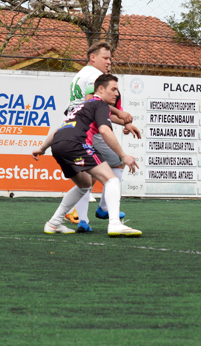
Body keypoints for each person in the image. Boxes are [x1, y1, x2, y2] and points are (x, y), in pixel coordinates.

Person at [32, 74, 142, 236]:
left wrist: (42, 148)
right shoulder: (101, 105)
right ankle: (114, 224)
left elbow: (57, 131)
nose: (116, 93)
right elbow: (105, 130)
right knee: (111, 179)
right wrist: (123, 156)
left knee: (84, 184)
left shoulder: (82, 106)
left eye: (117, 90)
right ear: (100, 89)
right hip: (76, 144)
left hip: (58, 145)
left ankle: (54, 223)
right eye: (113, 89)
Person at [64, 42, 141, 232]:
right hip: (91, 131)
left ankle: (82, 220)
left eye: (110, 58)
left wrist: (124, 121)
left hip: (75, 130)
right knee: (118, 163)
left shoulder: (79, 74)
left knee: (87, 178)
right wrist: (122, 116)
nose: (109, 62)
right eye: (105, 58)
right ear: (93, 58)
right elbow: (93, 103)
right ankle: (105, 209)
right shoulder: (94, 76)